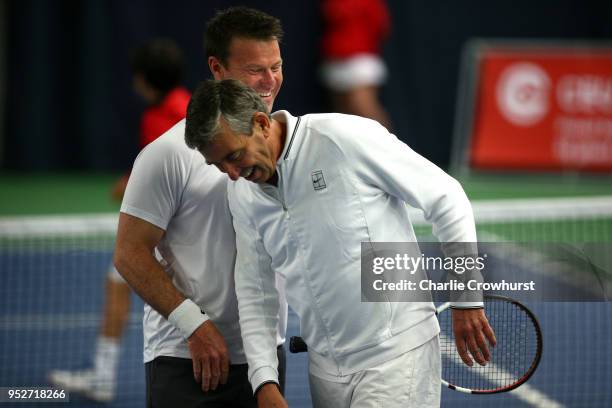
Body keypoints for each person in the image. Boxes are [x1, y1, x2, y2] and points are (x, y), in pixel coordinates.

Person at [184, 79, 497, 408]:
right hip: (325, 371)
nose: (231, 173)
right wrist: (263, 380)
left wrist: (466, 298)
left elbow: (448, 198)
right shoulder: (241, 192)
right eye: (218, 165)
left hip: (395, 356)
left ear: (261, 124)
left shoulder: (342, 137)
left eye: (235, 155)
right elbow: (255, 290)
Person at [112, 8, 287, 408]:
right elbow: (128, 254)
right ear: (216, 67)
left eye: (276, 66)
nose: (270, 81)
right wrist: (195, 325)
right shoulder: (168, 154)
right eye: (255, 70)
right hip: (185, 357)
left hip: (265, 360)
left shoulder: (285, 147)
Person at [48, 38, 191, 402]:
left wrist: (131, 185)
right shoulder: (186, 105)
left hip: (171, 226)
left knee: (122, 280)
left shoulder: (163, 116)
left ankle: (104, 376)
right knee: (121, 283)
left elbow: (169, 172)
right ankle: (103, 373)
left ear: (145, 80)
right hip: (175, 221)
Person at [319, 0, 393, 129]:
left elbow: (381, 25)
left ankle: (388, 147)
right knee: (342, 115)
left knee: (364, 108)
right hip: (335, 58)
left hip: (360, 58)